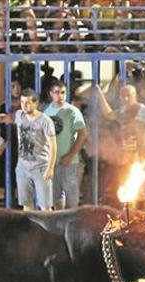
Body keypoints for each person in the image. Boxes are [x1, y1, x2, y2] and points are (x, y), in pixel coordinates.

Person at [91, 83, 145, 211]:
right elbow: (109, 114)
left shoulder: (143, 111)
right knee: (130, 191)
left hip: (144, 157)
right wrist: (100, 95)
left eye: (129, 95)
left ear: (135, 96)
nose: (126, 98)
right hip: (129, 157)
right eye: (123, 96)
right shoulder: (123, 111)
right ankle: (131, 221)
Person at [0, 89, 57, 211]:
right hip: (23, 167)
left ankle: (47, 230)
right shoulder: (19, 115)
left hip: (41, 167)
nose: (24, 105)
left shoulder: (45, 121)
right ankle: (30, 229)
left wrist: (50, 168)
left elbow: (53, 146)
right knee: (26, 204)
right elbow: (4, 118)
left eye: (27, 102)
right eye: (22, 102)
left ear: (36, 103)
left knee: (45, 206)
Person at [43, 81, 87, 209]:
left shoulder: (72, 111)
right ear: (51, 94)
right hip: (52, 162)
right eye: (57, 92)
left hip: (69, 161)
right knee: (55, 198)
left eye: (63, 92)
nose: (60, 96)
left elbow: (83, 134)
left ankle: (71, 226)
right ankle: (59, 227)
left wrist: (71, 154)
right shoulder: (46, 112)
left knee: (72, 199)